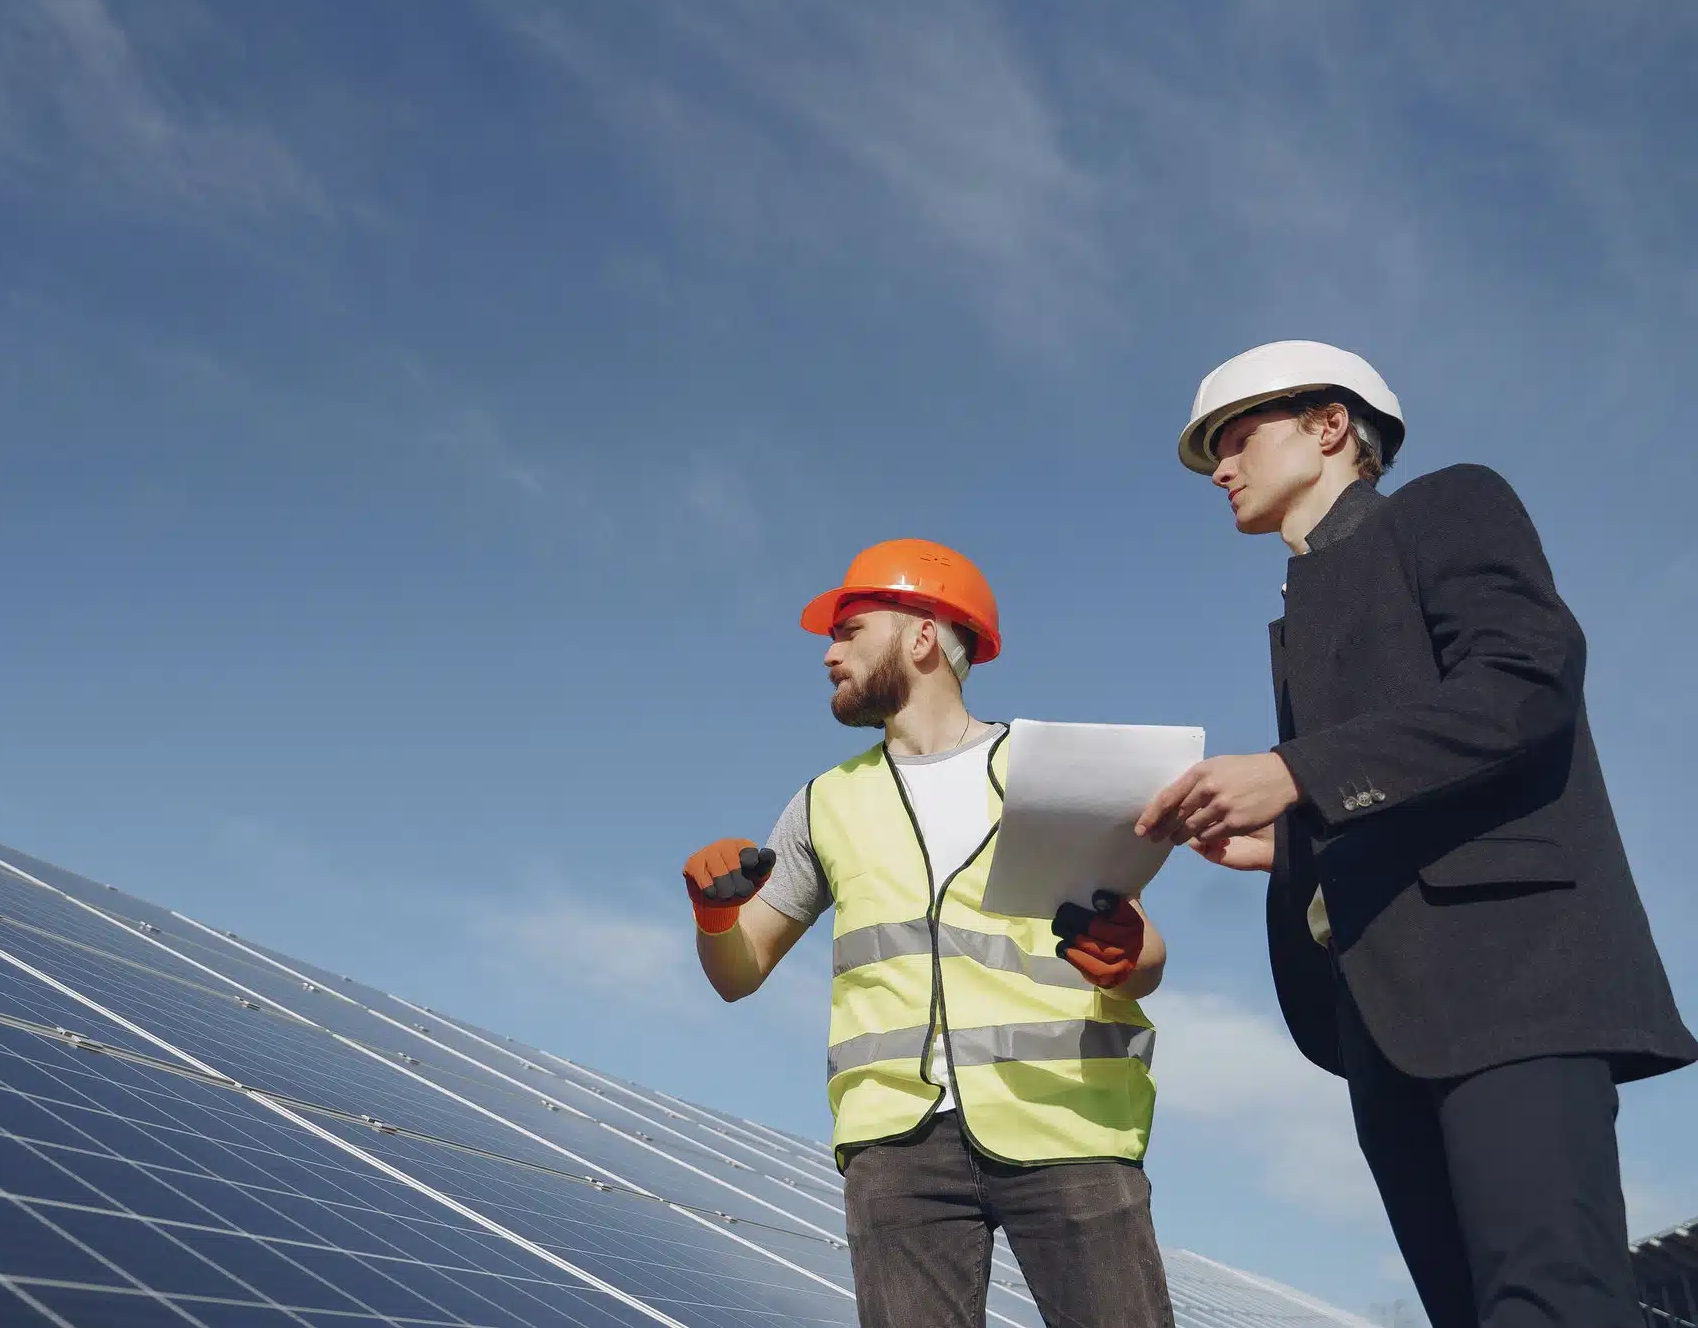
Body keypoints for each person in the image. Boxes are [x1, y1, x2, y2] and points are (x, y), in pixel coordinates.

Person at [1138, 340, 1696, 1328]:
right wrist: (1292, 839)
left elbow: (1522, 683)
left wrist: (1294, 773)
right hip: (1384, 1019)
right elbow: (1403, 782)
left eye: (1234, 437)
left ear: (1329, 427)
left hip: (1511, 982)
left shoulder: (1448, 504)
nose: (1218, 467)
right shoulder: (1302, 605)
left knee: (1550, 1302)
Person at [682, 538, 1174, 1328]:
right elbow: (739, 972)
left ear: (921, 637)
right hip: (896, 1147)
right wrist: (714, 918)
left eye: (849, 631)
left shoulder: (1050, 770)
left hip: (1067, 1123)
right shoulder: (823, 804)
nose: (829, 654)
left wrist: (1128, 956)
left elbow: (1145, 951)